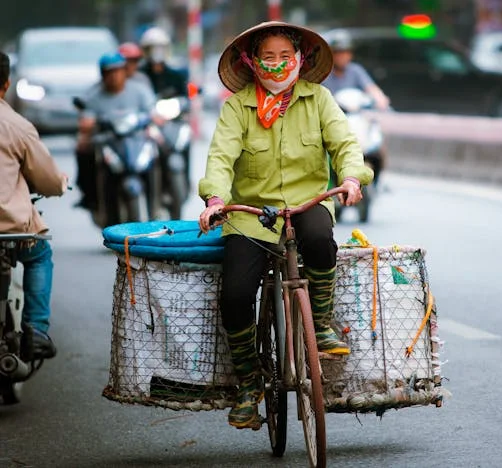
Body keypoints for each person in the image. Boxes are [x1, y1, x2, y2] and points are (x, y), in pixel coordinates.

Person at [197, 21, 373, 430]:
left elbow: (345, 144)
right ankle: (249, 382)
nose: (277, 65)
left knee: (320, 241)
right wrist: (216, 200)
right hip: (251, 215)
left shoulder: (320, 99)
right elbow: (220, 159)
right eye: (268, 57)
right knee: (237, 294)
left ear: (299, 59)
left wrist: (350, 178)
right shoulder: (237, 106)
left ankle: (322, 324)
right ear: (252, 62)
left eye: (284, 57)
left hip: (306, 202)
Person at [0, 51, 68, 359]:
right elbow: (49, 181)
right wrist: (61, 183)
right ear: (6, 84)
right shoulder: (16, 125)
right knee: (40, 255)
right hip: (9, 229)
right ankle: (36, 330)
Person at [74, 52, 156, 210]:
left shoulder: (139, 89)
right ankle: (90, 197)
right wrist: (89, 123)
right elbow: (86, 118)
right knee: (82, 149)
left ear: (124, 71)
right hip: (107, 141)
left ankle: (160, 196)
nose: (114, 76)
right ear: (103, 75)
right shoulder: (94, 95)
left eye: (117, 71)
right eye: (109, 72)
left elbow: (152, 111)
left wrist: (155, 117)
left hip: (135, 139)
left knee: (159, 147)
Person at [322, 30, 390, 110]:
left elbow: (371, 88)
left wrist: (380, 98)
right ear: (331, 54)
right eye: (338, 53)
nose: (343, 57)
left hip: (355, 116)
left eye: (346, 52)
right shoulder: (323, 74)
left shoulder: (355, 70)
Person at [138, 27, 189, 98]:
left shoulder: (176, 76)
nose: (157, 52)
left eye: (160, 48)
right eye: (152, 49)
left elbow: (185, 98)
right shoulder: (140, 75)